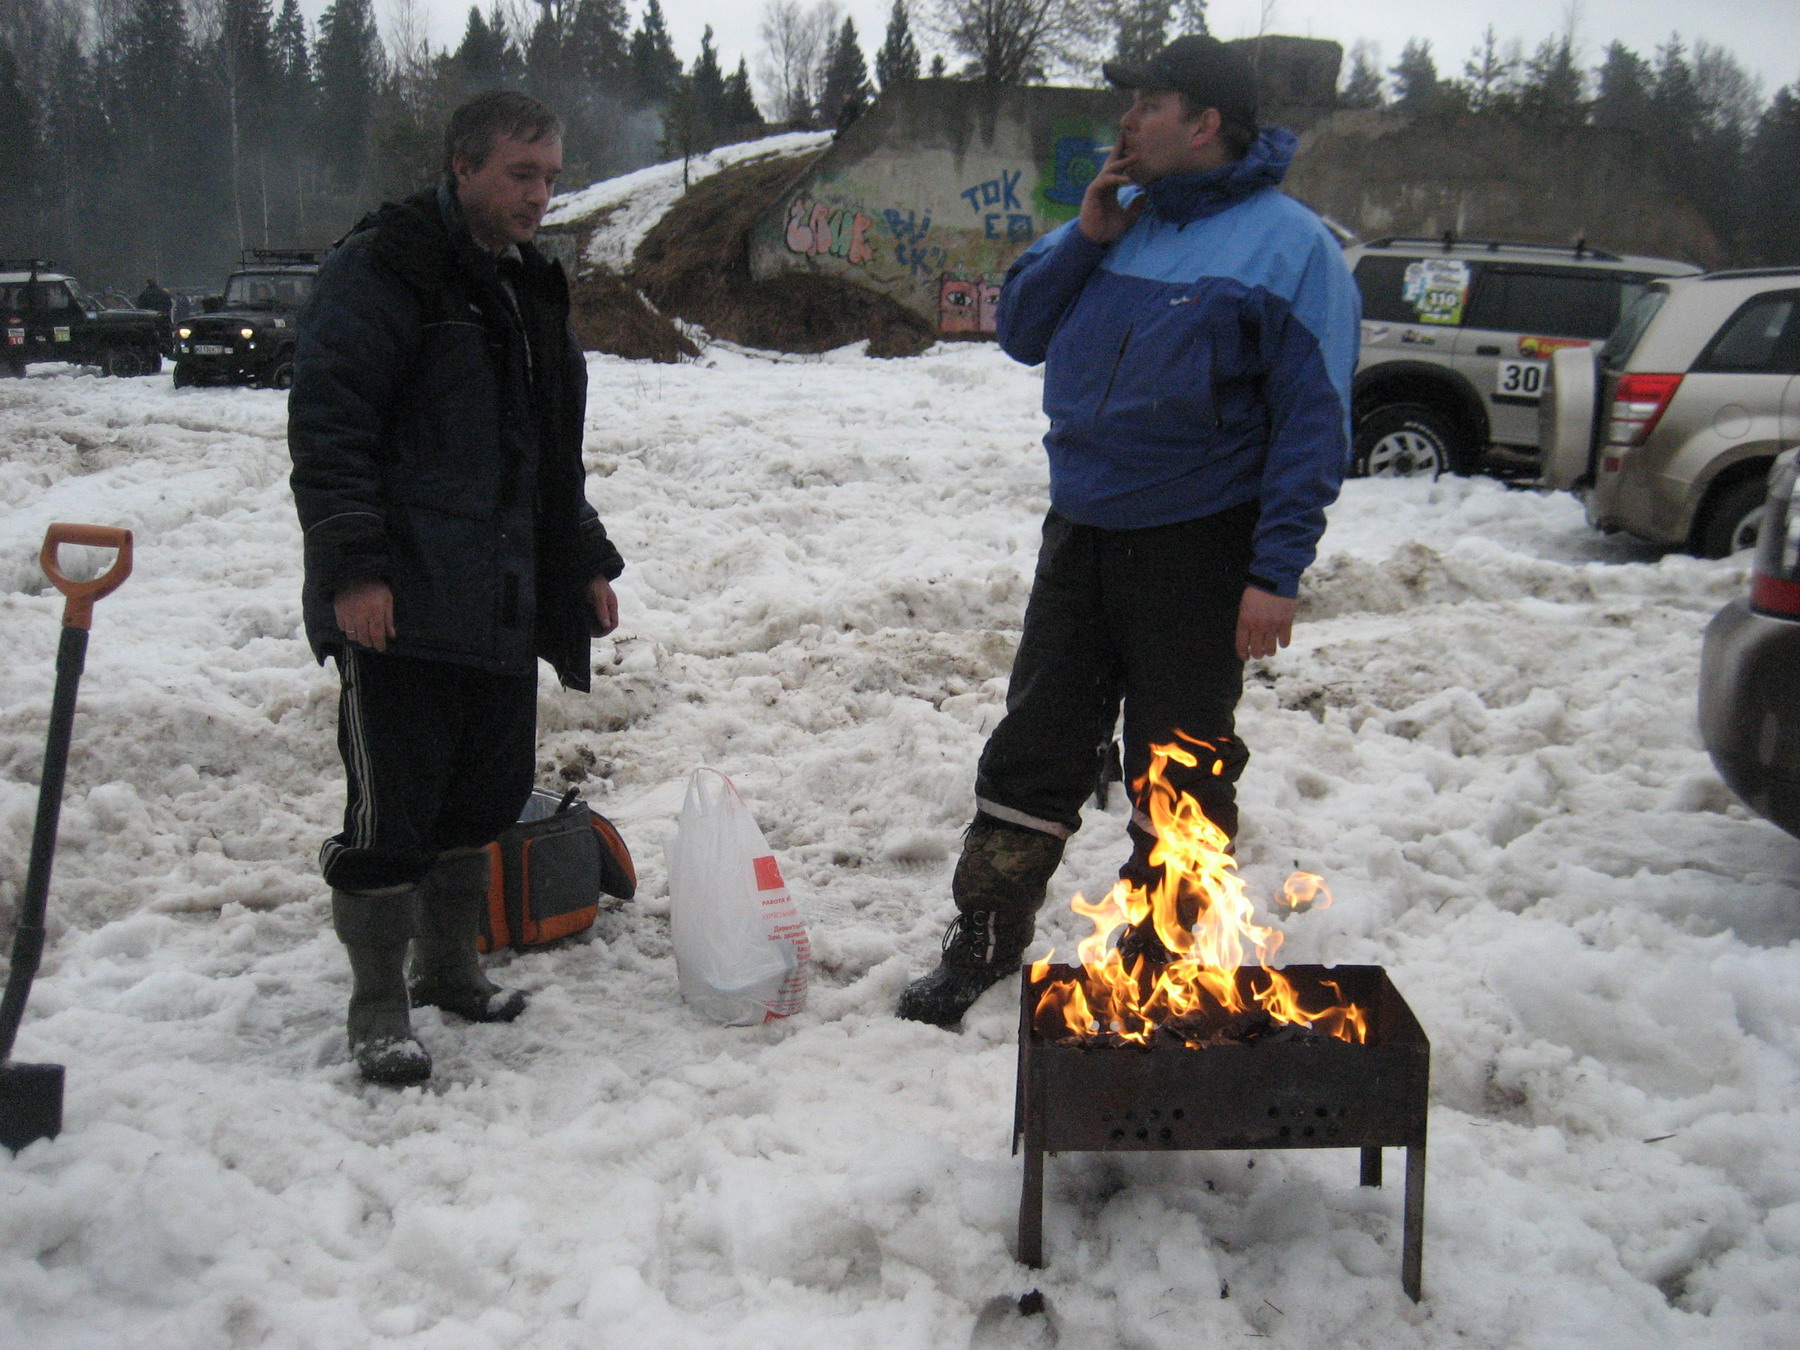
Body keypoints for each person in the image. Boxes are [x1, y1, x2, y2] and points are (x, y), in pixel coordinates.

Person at [897, 36, 1360, 1027]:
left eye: (1150, 103)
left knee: (1179, 766)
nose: (1127, 119)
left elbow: (1314, 425)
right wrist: (1087, 234)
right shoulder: (1121, 219)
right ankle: (983, 941)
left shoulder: (1292, 250)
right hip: (1082, 537)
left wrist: (1277, 570)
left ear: (1206, 124)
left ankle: (1158, 965)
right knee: (1035, 746)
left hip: (1199, 548)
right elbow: (1020, 328)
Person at [289, 90, 625, 1084]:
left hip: (500, 600)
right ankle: (378, 1006)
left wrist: (584, 559)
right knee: (391, 815)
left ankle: (448, 970)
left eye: (551, 177)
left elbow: (548, 452)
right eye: (521, 174)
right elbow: (331, 429)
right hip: (402, 603)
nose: (540, 195)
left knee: (480, 799)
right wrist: (354, 570)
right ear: (463, 166)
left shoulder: (527, 287)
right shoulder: (385, 268)